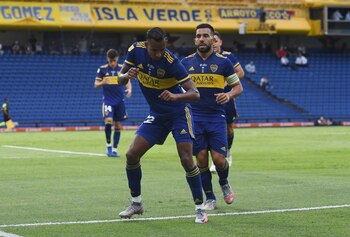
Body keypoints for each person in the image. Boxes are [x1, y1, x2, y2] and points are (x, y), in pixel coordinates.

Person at [117, 27, 208, 223]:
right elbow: (119, 79)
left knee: (185, 159)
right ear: (147, 44)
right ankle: (136, 203)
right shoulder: (135, 50)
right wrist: (127, 76)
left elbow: (195, 93)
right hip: (157, 115)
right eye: (155, 50)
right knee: (132, 154)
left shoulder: (171, 62)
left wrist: (176, 96)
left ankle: (200, 207)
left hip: (178, 113)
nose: (159, 53)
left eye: (162, 49)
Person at [181, 24, 243, 211]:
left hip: (216, 117)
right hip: (195, 117)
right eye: (198, 36)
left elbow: (238, 87)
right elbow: (178, 87)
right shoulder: (185, 63)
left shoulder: (224, 62)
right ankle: (210, 198)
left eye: (205, 35)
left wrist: (229, 95)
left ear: (212, 39)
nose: (201, 39)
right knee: (200, 159)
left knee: (219, 160)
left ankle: (224, 182)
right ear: (195, 40)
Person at [209, 31, 245, 173]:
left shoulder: (228, 56)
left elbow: (241, 72)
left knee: (229, 128)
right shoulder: (205, 57)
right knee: (214, 129)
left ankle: (228, 152)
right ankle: (215, 160)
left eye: (216, 41)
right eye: (212, 41)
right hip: (210, 98)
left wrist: (225, 81)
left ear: (220, 42)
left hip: (227, 97)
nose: (214, 43)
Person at [94, 49, 132, 157]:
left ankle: (115, 149)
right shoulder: (102, 69)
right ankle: (108, 146)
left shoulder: (122, 68)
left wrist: (129, 89)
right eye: (111, 61)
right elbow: (96, 84)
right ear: (107, 59)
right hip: (108, 100)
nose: (112, 63)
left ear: (117, 59)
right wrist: (102, 82)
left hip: (119, 101)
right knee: (109, 121)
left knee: (118, 125)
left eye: (114, 61)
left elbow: (127, 81)